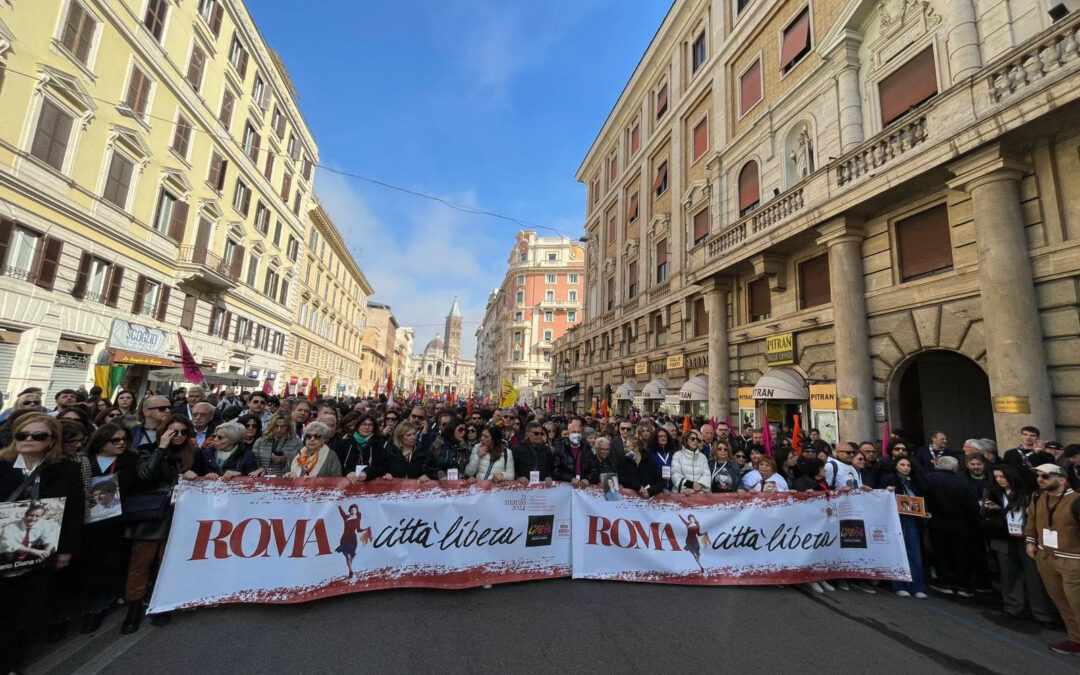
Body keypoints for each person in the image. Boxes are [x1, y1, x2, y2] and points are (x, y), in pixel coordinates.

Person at [0, 413, 85, 672]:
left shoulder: (67, 470)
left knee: (25, 605)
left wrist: (67, 550)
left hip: (41, 548)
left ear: (51, 440)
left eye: (37, 435)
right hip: (3, 544)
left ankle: (11, 660)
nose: (28, 439)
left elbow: (74, 511)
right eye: (22, 434)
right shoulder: (2, 465)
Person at [123, 414, 206, 633]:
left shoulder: (194, 453)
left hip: (180, 514)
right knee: (141, 563)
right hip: (152, 514)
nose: (179, 436)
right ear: (163, 431)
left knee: (166, 563)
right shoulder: (147, 450)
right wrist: (161, 448)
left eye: (183, 432)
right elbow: (144, 475)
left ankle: (161, 603)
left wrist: (197, 475)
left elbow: (208, 476)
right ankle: (133, 609)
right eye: (173, 431)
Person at [78, 424, 136, 633]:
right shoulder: (85, 461)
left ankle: (99, 605)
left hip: (114, 520)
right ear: (101, 442)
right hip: (86, 520)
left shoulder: (131, 460)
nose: (121, 443)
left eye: (124, 439)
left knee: (106, 562)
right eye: (115, 440)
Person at [982, 464, 1054, 626]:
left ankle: (1041, 612)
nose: (999, 480)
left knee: (1034, 576)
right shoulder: (993, 492)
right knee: (1008, 575)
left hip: (1026, 537)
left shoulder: (1027, 493)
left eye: (1002, 476)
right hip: (1003, 537)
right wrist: (997, 510)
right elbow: (984, 514)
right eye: (997, 477)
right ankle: (1013, 608)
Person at [1024, 463, 1080, 655]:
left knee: (1076, 602)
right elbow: (1031, 520)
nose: (1040, 480)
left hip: (1073, 560)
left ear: (1062, 480)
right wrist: (1030, 541)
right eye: (1039, 476)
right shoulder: (1037, 497)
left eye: (1045, 476)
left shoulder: (1075, 501)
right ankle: (1076, 639)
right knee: (1061, 601)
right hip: (1045, 557)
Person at [923, 456, 976, 597]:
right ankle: (963, 585)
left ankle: (944, 582)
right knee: (960, 554)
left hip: (937, 522)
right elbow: (971, 505)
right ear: (955, 468)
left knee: (940, 553)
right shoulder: (963, 482)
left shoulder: (928, 478)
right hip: (959, 524)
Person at [880, 457, 928, 598]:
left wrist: (925, 511)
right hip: (896, 519)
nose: (906, 467)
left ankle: (917, 586)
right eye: (902, 464)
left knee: (914, 552)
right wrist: (886, 491)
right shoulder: (888, 479)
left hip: (912, 519)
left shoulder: (914, 482)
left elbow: (921, 498)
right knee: (898, 551)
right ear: (895, 466)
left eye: (908, 465)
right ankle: (899, 584)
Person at [252, 412, 303, 477]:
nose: (279, 429)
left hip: (285, 478)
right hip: (263, 477)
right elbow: (254, 460)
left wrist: (285, 460)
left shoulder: (297, 443)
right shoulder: (261, 441)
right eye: (276, 426)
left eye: (283, 426)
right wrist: (260, 468)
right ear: (271, 426)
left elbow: (299, 465)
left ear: (288, 427)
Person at [337, 414, 382, 481]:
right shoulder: (345, 444)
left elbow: (382, 466)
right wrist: (347, 472)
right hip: (347, 482)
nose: (367, 427)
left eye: (370, 425)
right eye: (364, 424)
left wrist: (367, 473)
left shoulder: (378, 445)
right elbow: (337, 464)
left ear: (374, 428)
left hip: (369, 484)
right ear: (358, 427)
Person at [554, 419, 596, 487]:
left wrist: (588, 479)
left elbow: (594, 468)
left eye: (578, 432)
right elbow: (555, 470)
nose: (576, 434)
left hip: (583, 485)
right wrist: (570, 478)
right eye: (573, 432)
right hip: (566, 485)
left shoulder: (586, 447)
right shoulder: (560, 447)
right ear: (568, 434)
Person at [334, 504, 370, 578]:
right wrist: (339, 506)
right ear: (350, 511)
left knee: (351, 556)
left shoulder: (357, 519)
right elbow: (342, 513)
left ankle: (351, 569)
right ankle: (350, 571)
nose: (353, 511)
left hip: (352, 540)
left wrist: (365, 529)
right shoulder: (346, 517)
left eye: (355, 510)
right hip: (344, 539)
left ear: (356, 511)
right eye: (352, 510)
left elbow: (358, 530)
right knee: (347, 556)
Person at [671, 430, 709, 495]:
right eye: (692, 439)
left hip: (698, 494)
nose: (695, 441)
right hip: (681, 494)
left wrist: (694, 489)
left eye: (697, 439)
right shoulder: (677, 455)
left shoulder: (703, 457)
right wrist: (691, 485)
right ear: (686, 440)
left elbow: (706, 476)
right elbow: (675, 475)